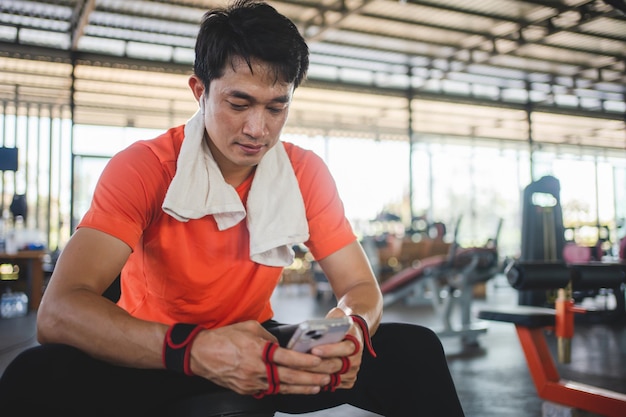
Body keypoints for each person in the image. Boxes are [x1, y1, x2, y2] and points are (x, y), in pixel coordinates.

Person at [0, 1, 465, 416]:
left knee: (415, 350)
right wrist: (195, 349)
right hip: (158, 348)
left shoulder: (304, 173)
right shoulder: (144, 167)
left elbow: (360, 285)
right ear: (199, 90)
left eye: (276, 108)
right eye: (238, 103)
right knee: (32, 377)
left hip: (256, 341)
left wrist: (351, 329)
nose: (258, 129)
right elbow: (58, 311)